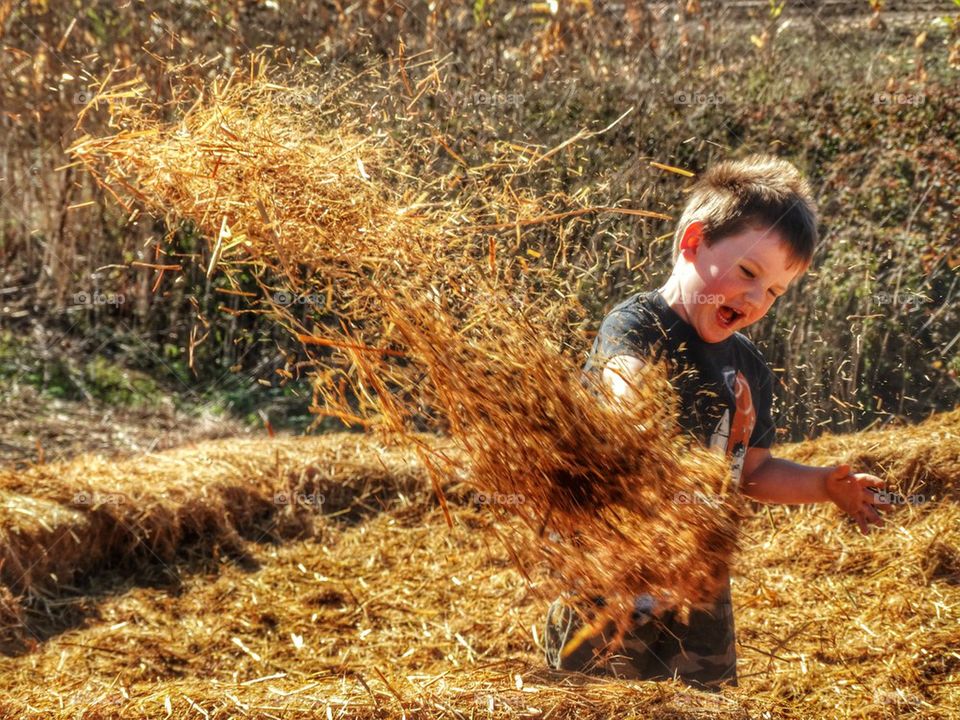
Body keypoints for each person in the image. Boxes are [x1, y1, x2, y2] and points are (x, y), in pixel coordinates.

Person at [542, 154, 892, 689]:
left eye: (775, 292)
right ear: (693, 242)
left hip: (700, 586)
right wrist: (638, 419)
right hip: (608, 578)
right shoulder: (638, 324)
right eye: (749, 273)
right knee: (591, 701)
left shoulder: (747, 366)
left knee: (704, 702)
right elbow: (623, 382)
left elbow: (752, 471)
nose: (756, 299)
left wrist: (823, 485)